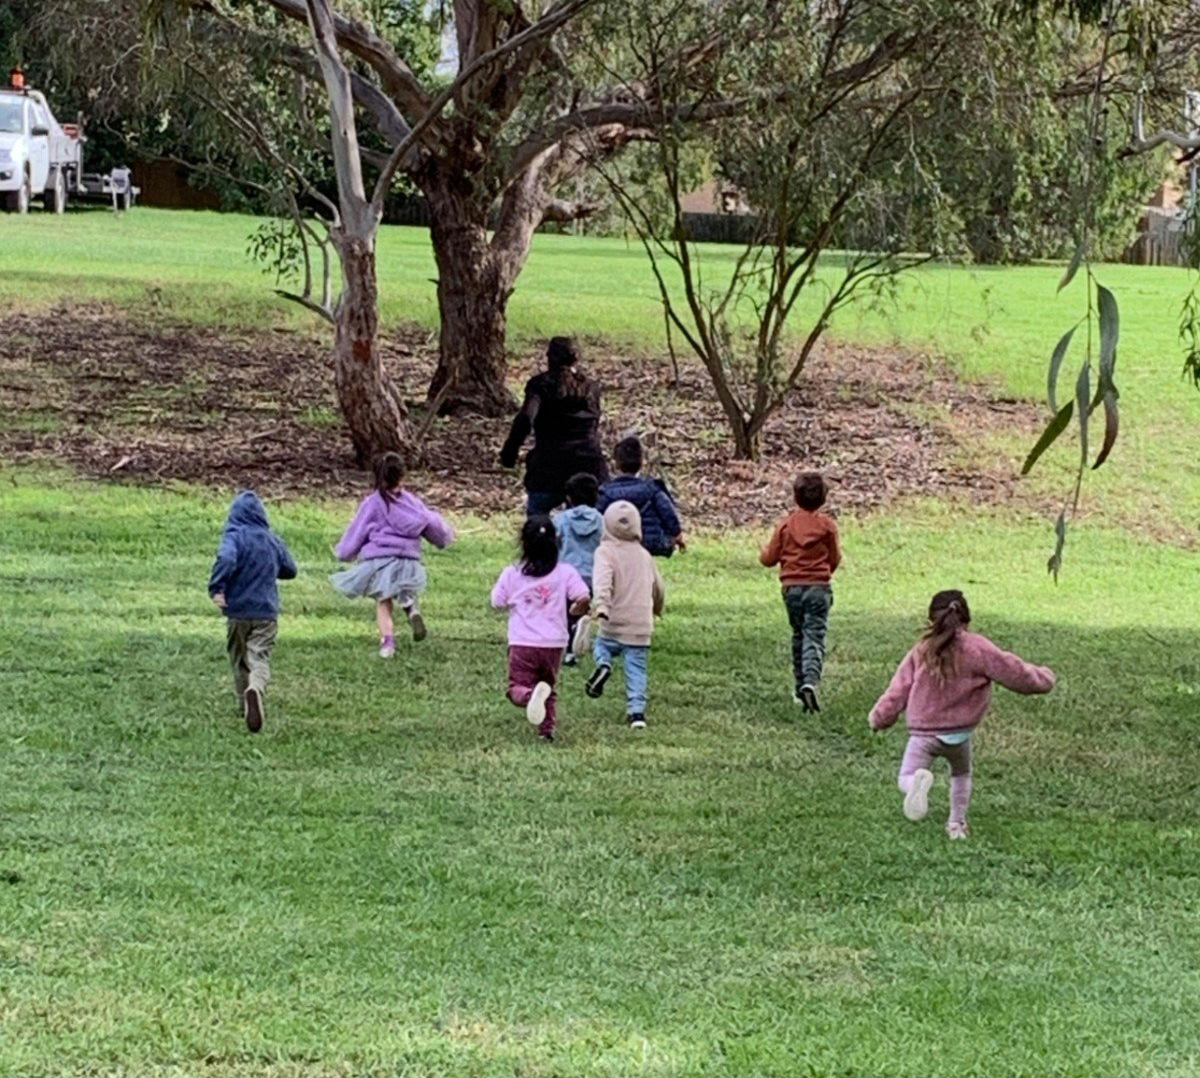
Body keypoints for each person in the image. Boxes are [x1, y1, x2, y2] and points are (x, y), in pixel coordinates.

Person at [869, 590, 1056, 840]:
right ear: (966, 619)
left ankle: (914, 785)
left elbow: (898, 690)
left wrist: (879, 718)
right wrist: (1044, 678)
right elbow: (1014, 671)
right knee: (961, 774)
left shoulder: (921, 650)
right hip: (959, 734)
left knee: (906, 774)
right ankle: (956, 825)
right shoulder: (978, 648)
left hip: (923, 734)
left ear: (931, 621)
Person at [331, 452, 455, 658]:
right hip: (408, 561)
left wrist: (344, 552)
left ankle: (387, 643)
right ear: (402, 477)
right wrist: (444, 537)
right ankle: (412, 610)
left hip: (379, 561)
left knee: (383, 600)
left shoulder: (372, 503)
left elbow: (358, 531)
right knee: (405, 591)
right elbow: (430, 523)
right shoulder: (412, 503)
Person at [491, 516, 591, 742]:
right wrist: (578, 609)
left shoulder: (512, 573)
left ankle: (528, 697)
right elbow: (582, 596)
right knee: (549, 687)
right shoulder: (565, 572)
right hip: (554, 643)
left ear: (524, 543)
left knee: (516, 687)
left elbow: (497, 601)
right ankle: (546, 732)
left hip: (522, 642)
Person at [208, 490, 297, 733]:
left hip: (237, 611)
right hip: (266, 612)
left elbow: (226, 559)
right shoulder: (271, 539)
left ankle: (242, 703)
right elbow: (290, 569)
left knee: (239, 657)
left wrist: (217, 587)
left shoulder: (233, 536)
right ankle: (256, 687)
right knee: (260, 657)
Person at [759, 471, 841, 713]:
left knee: (798, 635)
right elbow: (834, 558)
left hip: (792, 589)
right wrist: (824, 571)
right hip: (819, 588)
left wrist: (761, 552)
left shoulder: (786, 525)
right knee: (814, 635)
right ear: (824, 499)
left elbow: (769, 559)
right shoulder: (828, 527)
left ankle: (798, 688)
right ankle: (810, 681)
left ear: (795, 497)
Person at [499, 337, 608, 516]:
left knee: (538, 518)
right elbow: (594, 422)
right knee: (595, 523)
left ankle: (538, 539)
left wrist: (509, 453)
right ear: (576, 359)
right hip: (589, 467)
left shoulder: (540, 386)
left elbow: (526, 418)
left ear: (549, 358)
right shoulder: (591, 388)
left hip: (548, 468)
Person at [584, 501, 665, 731]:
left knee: (601, 646)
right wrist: (657, 608)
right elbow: (658, 586)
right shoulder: (644, 555)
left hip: (613, 620)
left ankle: (604, 664)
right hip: (640, 625)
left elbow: (602, 581)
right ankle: (636, 713)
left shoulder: (605, 552)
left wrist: (601, 606)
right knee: (636, 667)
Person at [596, 435, 685, 557]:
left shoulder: (606, 492)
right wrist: (677, 534)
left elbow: (596, 516)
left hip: (617, 543)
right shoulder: (653, 488)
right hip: (649, 544)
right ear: (641, 462)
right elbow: (668, 513)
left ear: (616, 464)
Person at [554, 472, 603, 666]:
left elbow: (553, 543)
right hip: (592, 575)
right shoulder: (601, 520)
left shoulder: (561, 519)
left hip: (566, 575)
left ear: (568, 497)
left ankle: (568, 649)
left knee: (565, 613)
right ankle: (579, 633)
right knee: (582, 608)